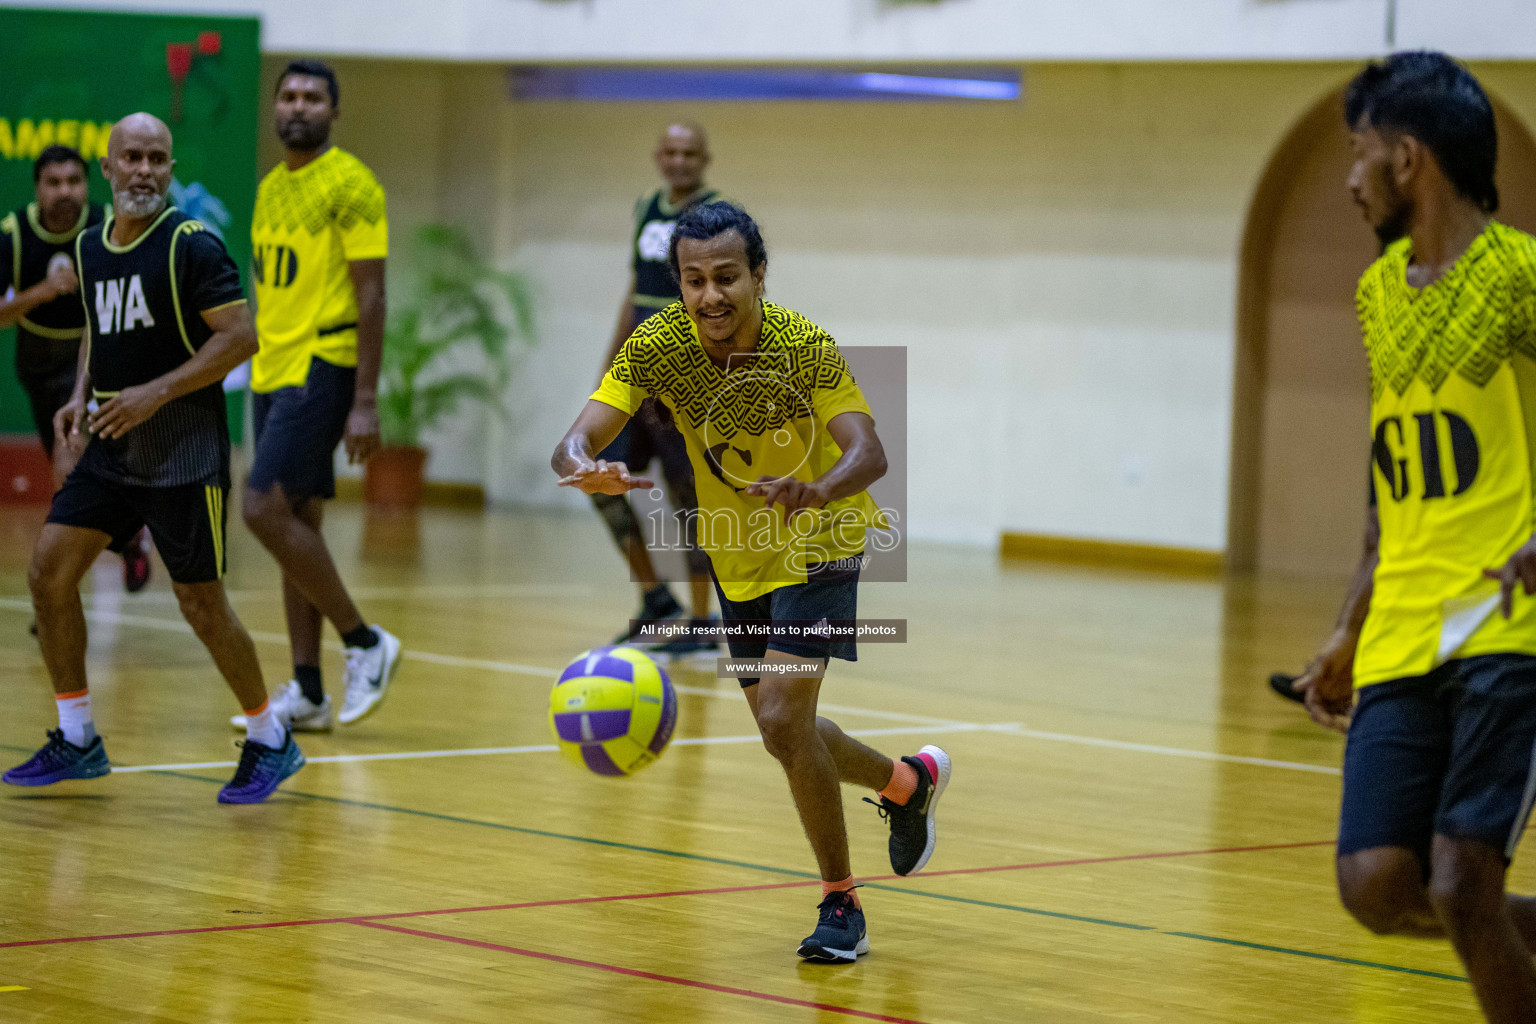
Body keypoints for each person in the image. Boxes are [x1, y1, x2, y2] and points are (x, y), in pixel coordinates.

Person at [554, 201, 951, 963]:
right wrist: (583, 464)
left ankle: (842, 904)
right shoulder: (660, 345)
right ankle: (906, 784)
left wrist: (820, 487)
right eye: (694, 280)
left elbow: (868, 451)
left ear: (759, 276)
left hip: (821, 538)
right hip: (738, 557)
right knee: (785, 731)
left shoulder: (802, 344)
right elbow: (578, 435)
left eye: (727, 277)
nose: (710, 295)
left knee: (779, 717)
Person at [1298, 52, 1536, 1024]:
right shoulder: (1376, 293)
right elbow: (1384, 489)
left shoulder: (1521, 275)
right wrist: (1349, 626)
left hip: (1506, 624)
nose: (1351, 180)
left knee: (1459, 880)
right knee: (1376, 882)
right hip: (1402, 621)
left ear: (1407, 157)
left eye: (1358, 155)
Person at [2, 113, 303, 804]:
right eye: (131, 158)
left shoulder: (193, 246)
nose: (144, 170)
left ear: (169, 170)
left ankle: (269, 739)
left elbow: (240, 338)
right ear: (107, 171)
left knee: (200, 602)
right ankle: (76, 738)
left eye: (157, 160)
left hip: (182, 453)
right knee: (48, 574)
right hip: (111, 442)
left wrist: (153, 394)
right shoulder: (90, 247)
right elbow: (97, 332)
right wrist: (79, 396)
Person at [232, 59, 401, 735]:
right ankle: (308, 690)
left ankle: (365, 642)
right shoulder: (271, 186)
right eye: (289, 95)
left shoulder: (352, 183)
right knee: (293, 519)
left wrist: (364, 399)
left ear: (335, 112)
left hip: (323, 365)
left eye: (313, 97)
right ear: (275, 109)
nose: (298, 106)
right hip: (272, 370)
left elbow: (373, 294)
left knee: (259, 509)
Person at [592, 122, 720, 656]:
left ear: (705, 159)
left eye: (689, 153)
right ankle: (654, 599)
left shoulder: (715, 216)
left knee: (689, 500)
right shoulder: (646, 206)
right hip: (637, 374)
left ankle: (700, 620)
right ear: (657, 156)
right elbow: (635, 291)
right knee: (601, 477)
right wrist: (611, 368)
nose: (679, 161)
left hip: (684, 379)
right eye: (669, 151)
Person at [0, 145, 152, 595]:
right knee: (73, 470)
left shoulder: (111, 226)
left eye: (73, 181)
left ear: (89, 185)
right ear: (37, 189)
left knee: (70, 471)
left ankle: (57, 588)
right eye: (54, 182)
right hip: (36, 358)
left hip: (96, 360)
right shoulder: (12, 233)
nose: (64, 192)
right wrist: (43, 291)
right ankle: (129, 537)